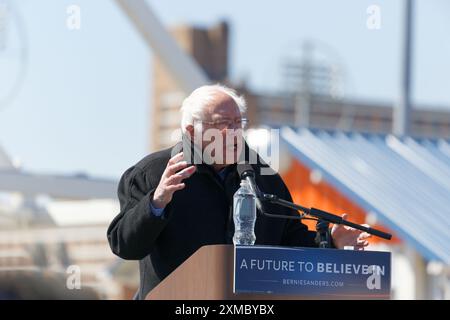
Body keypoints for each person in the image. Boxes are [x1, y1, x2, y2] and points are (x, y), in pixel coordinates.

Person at [107, 84, 371, 299]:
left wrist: (331, 243)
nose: (233, 132)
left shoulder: (261, 176)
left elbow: (289, 242)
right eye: (223, 123)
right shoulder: (153, 173)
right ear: (191, 131)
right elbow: (124, 245)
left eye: (238, 122)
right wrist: (156, 202)